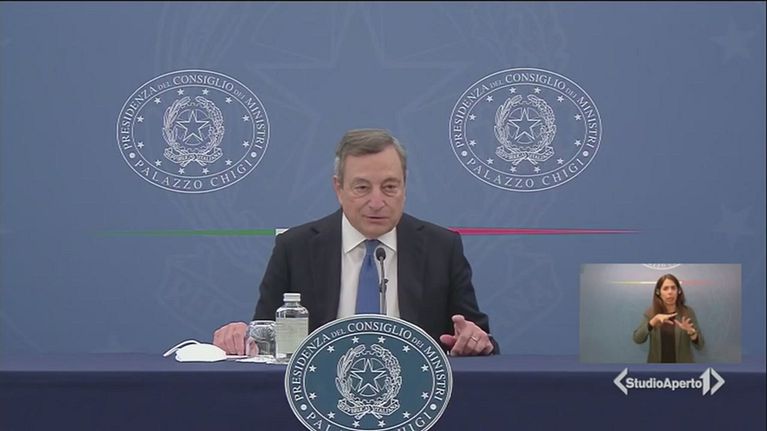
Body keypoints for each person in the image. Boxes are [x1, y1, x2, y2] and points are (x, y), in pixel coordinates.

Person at [214, 129, 497, 356]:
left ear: (405, 186)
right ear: (338, 188)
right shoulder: (295, 247)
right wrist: (241, 336)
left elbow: (480, 338)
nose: (377, 202)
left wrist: (474, 340)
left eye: (389, 187)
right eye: (362, 188)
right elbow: (265, 337)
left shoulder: (442, 247)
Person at [632, 273, 704, 363]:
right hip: (657, 369)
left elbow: (700, 345)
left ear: (679, 291)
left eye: (673, 288)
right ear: (658, 292)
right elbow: (637, 339)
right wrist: (653, 322)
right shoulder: (651, 313)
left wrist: (692, 333)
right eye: (665, 288)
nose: (670, 292)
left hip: (682, 369)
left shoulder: (687, 312)